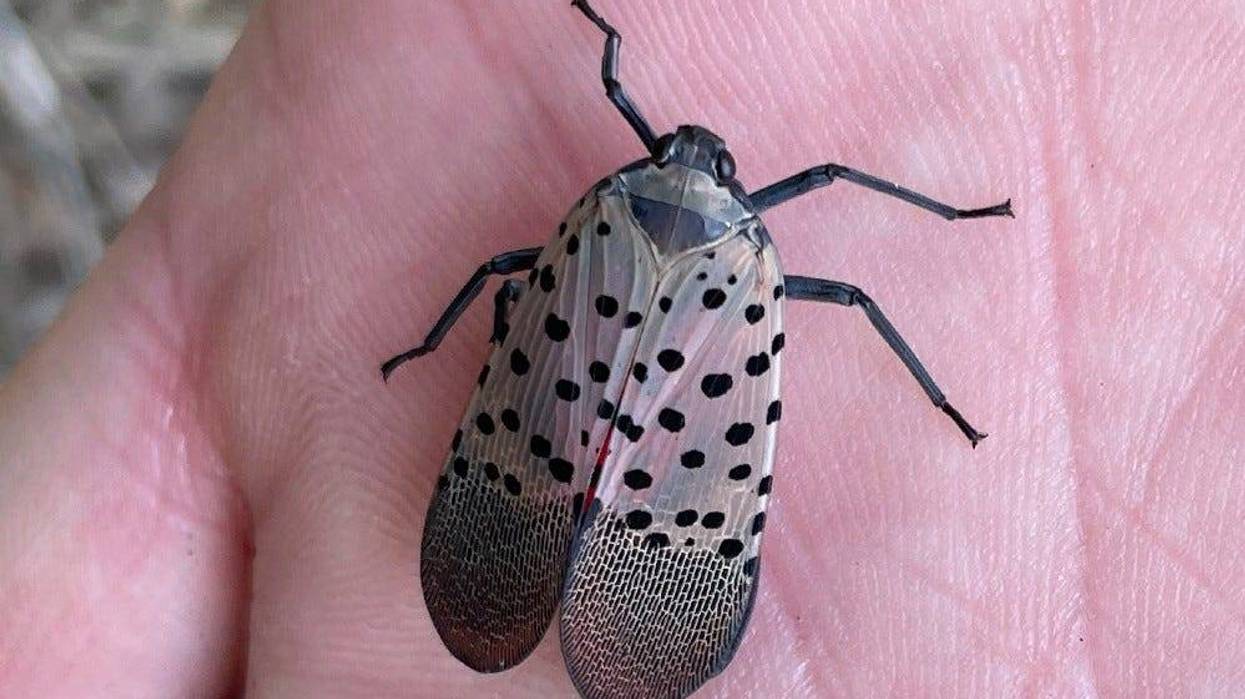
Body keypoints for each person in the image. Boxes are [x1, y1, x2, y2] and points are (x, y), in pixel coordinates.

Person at [2, 2, 1242, 696]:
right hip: (689, 460)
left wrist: (438, 347)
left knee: (510, 285)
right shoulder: (757, 255)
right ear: (741, 185)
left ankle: (591, 591)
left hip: (543, 397)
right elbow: (848, 259)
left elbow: (508, 283)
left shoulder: (600, 206)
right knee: (847, 297)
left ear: (657, 156)